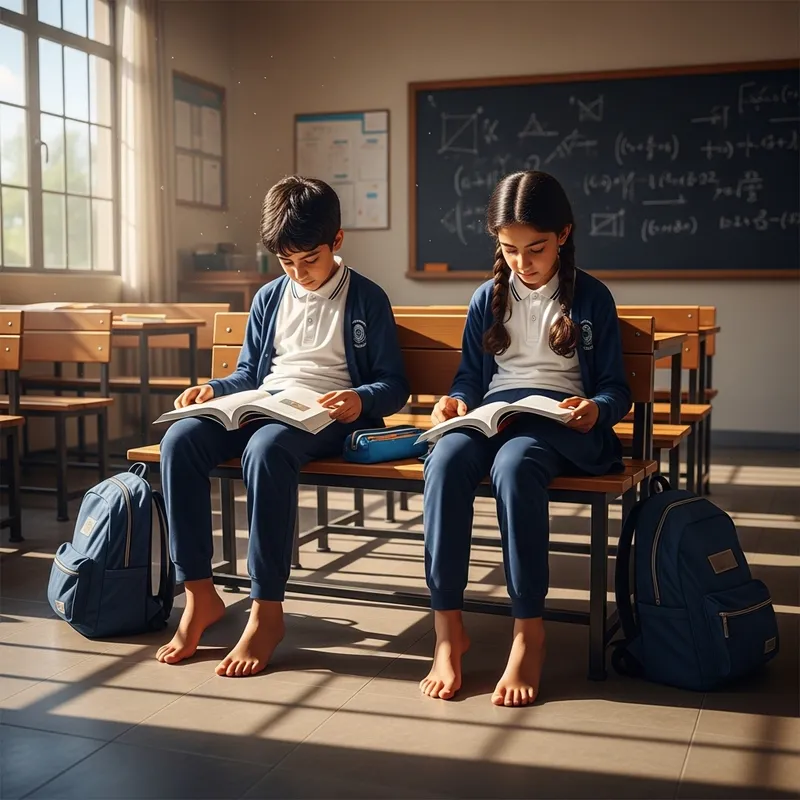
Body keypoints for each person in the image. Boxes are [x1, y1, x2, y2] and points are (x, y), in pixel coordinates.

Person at [156, 176, 409, 677]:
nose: (299, 273)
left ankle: (266, 611)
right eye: (286, 262)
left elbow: (393, 384)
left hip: (327, 414)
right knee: (180, 439)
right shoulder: (272, 297)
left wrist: (359, 400)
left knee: (267, 451)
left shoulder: (367, 299)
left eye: (309, 260)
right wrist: (214, 390)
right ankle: (199, 596)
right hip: (268, 401)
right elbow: (250, 372)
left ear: (336, 241)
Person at [420, 171, 631, 705]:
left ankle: (527, 632)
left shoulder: (591, 298)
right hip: (499, 412)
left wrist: (596, 410)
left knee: (515, 466)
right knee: (444, 460)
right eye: (509, 249)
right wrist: (455, 401)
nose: (522, 262)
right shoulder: (486, 298)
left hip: (560, 425)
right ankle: (447, 632)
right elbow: (471, 376)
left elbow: (615, 390)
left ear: (563, 234)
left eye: (535, 248)